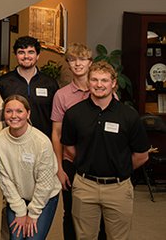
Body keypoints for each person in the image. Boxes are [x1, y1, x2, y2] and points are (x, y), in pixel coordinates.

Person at [61, 62, 150, 240]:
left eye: (104, 80)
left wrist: (119, 166)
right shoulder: (73, 114)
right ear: (88, 82)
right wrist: (90, 161)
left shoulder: (129, 115)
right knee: (85, 237)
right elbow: (69, 148)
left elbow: (141, 155)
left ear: (113, 83)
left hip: (118, 188)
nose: (99, 84)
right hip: (85, 187)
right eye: (94, 79)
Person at [0, 95, 61, 240]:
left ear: (28, 113)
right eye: (9, 111)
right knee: (16, 237)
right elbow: (4, 179)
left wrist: (32, 214)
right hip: (17, 196)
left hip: (44, 198)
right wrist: (20, 211)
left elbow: (45, 184)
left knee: (33, 238)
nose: (14, 116)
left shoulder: (42, 142)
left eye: (19, 111)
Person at [50, 43, 93, 240]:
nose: (77, 64)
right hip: (71, 163)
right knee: (71, 213)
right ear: (68, 64)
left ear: (90, 62)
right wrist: (59, 167)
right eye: (73, 59)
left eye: (82, 59)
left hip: (96, 163)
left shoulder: (103, 89)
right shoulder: (62, 95)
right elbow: (56, 133)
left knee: (96, 216)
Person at [0, 36, 58, 138]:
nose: (26, 56)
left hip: (42, 141)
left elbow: (56, 118)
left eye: (31, 52)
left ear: (38, 55)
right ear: (16, 55)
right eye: (21, 52)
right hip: (11, 140)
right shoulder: (2, 82)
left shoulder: (50, 83)